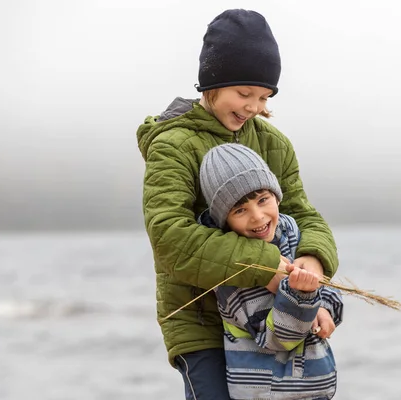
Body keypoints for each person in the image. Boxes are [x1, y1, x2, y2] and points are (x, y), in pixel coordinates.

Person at [136, 9, 339, 399]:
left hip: (272, 316)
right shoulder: (172, 146)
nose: (253, 106)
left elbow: (304, 214)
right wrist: (264, 267)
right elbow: (168, 236)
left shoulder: (273, 144)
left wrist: (313, 265)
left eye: (263, 97)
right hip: (202, 324)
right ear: (211, 85)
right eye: (244, 94)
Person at [197, 143, 344, 400]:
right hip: (267, 393)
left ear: (276, 196)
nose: (257, 216)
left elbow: (330, 294)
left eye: (263, 200)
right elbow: (280, 339)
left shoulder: (292, 233)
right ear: (225, 220)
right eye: (240, 210)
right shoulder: (234, 273)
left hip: (314, 389)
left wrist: (324, 308)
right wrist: (304, 296)